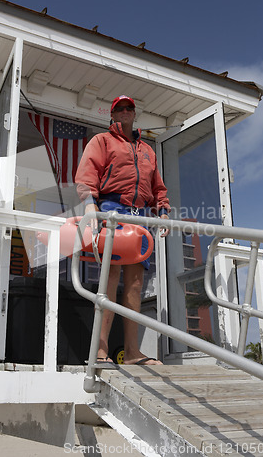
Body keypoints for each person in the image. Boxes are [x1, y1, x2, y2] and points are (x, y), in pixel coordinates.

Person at [75, 95, 170, 365]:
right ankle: (100, 350)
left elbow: (157, 188)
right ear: (112, 114)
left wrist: (162, 209)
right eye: (120, 108)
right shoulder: (102, 141)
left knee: (135, 285)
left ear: (134, 113)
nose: (126, 111)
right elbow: (87, 174)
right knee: (109, 279)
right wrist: (90, 205)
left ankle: (131, 352)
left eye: (130, 108)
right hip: (113, 210)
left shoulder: (148, 150)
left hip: (140, 218)